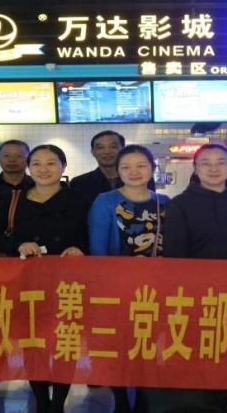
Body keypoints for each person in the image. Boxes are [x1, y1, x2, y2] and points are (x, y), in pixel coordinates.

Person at [0, 144, 89, 413]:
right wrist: (17, 245)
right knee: (33, 342)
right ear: (29, 168)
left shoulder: (79, 199)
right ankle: (41, 400)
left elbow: (90, 235)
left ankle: (58, 402)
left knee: (65, 341)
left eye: (51, 163)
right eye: (37, 163)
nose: (43, 169)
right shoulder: (13, 199)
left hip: (67, 283)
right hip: (26, 283)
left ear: (63, 167)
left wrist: (80, 249)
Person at [154, 143, 227, 412]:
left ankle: (226, 397)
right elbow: (175, 255)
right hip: (199, 296)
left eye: (220, 162)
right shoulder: (181, 204)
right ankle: (207, 401)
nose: (214, 169)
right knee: (203, 349)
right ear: (195, 168)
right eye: (206, 163)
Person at [87, 144, 168, 412]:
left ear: (152, 169)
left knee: (149, 344)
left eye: (141, 166)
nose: (134, 172)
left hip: (155, 290)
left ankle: (144, 399)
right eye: (126, 167)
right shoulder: (105, 201)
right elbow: (98, 249)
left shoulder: (165, 202)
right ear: (118, 171)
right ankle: (121, 400)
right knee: (120, 346)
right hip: (117, 289)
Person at [72, 131, 136, 204]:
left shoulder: (138, 179)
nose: (107, 152)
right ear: (93, 152)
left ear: (123, 150)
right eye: (100, 147)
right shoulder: (79, 183)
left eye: (113, 146)